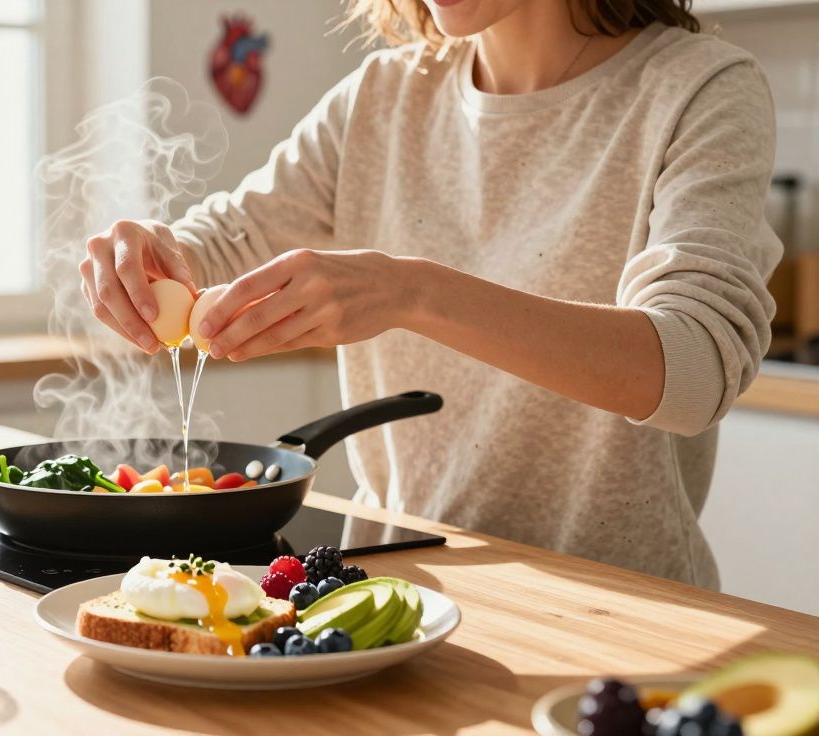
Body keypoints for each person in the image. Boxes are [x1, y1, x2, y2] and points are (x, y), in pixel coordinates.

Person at [78, 0, 781, 587]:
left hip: (619, 612)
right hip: (395, 598)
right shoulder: (383, 96)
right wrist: (155, 257)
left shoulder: (699, 87)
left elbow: (694, 370)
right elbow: (225, 239)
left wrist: (411, 291)